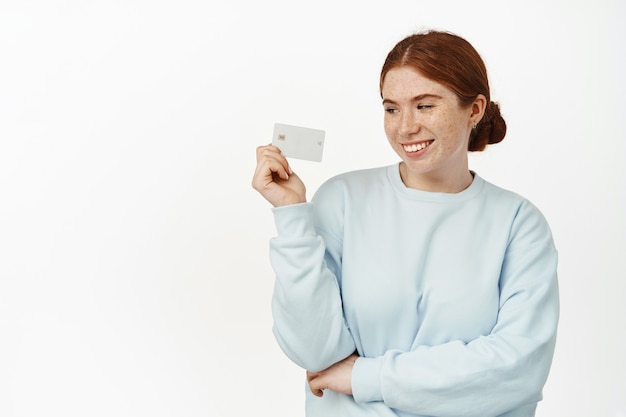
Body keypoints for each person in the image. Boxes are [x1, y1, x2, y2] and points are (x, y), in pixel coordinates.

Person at [252, 30, 559, 417]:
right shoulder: (343, 199)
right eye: (392, 108)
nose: (404, 128)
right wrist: (293, 215)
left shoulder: (518, 223)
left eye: (425, 106)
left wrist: (367, 377)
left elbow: (519, 368)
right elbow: (312, 351)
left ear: (475, 109)